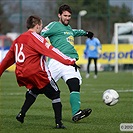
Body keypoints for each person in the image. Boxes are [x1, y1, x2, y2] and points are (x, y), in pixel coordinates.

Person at [0, 15, 79, 129]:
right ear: (37, 26)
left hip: (21, 73)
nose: (41, 28)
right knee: (55, 93)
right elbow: (52, 51)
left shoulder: (18, 39)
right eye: (41, 26)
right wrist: (69, 61)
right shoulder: (36, 38)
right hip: (37, 73)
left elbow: (8, 59)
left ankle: (21, 114)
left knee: (34, 90)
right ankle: (58, 123)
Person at [41, 4, 92, 122]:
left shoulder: (68, 28)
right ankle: (23, 111)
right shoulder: (54, 25)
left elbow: (74, 32)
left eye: (69, 16)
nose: (67, 18)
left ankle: (76, 113)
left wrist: (86, 33)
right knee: (39, 86)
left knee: (74, 84)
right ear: (59, 15)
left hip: (70, 63)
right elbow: (41, 35)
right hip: (56, 62)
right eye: (65, 15)